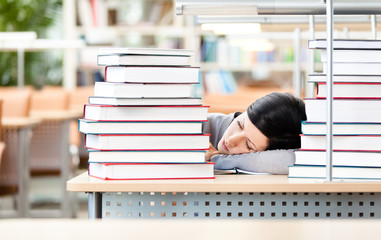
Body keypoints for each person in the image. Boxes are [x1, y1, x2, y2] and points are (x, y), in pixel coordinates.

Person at [203, 92, 307, 174]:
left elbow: (291, 160)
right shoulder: (198, 124)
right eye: (240, 124)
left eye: (248, 145)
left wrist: (216, 160)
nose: (231, 140)